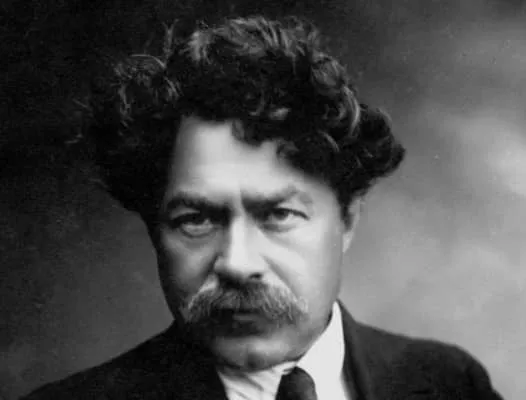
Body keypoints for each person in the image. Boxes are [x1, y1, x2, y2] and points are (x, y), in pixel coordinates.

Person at [22, 15, 503, 400]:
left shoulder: (451, 383)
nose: (237, 263)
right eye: (195, 220)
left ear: (347, 219)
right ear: (154, 231)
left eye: (278, 215)